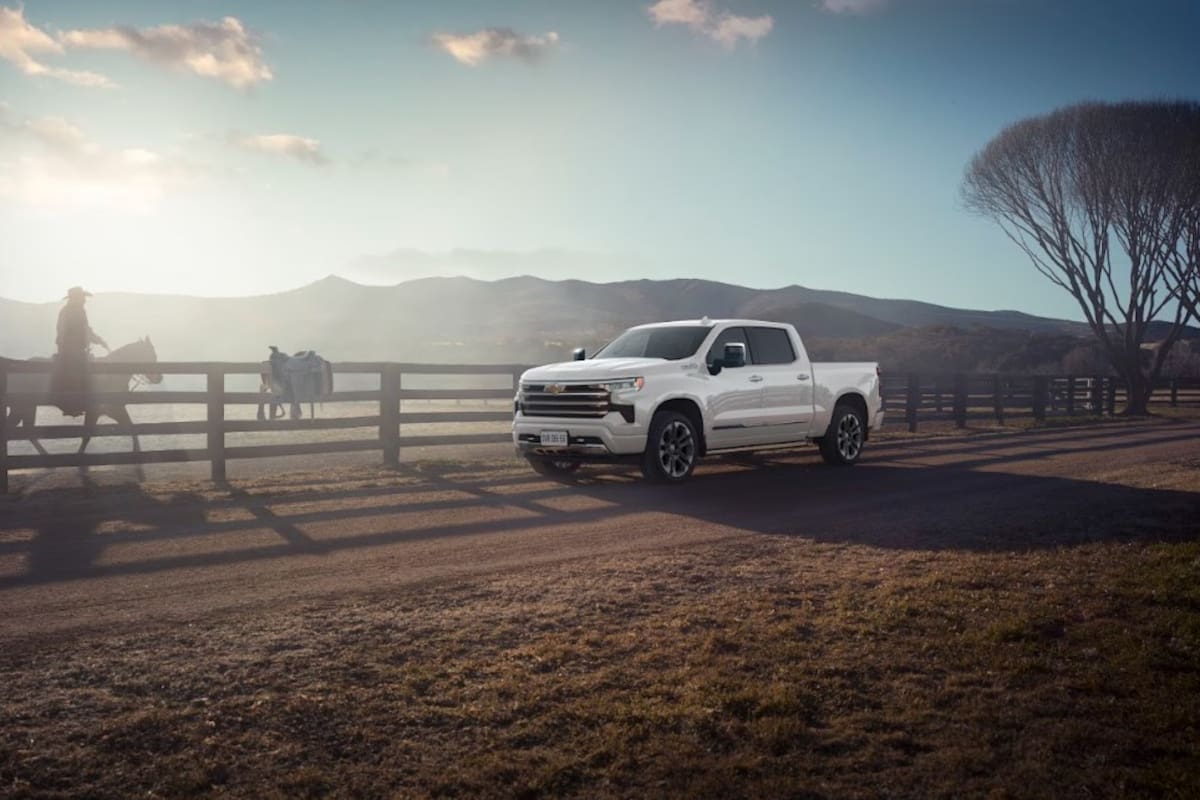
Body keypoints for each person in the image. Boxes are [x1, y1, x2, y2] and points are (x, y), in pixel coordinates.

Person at [52, 286, 108, 416]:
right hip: (71, 349)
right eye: (82, 297)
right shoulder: (72, 311)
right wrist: (93, 340)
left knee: (88, 368)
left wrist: (98, 340)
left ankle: (84, 403)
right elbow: (76, 331)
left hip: (73, 348)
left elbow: (85, 330)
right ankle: (76, 405)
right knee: (83, 371)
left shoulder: (74, 310)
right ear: (76, 298)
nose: (84, 300)